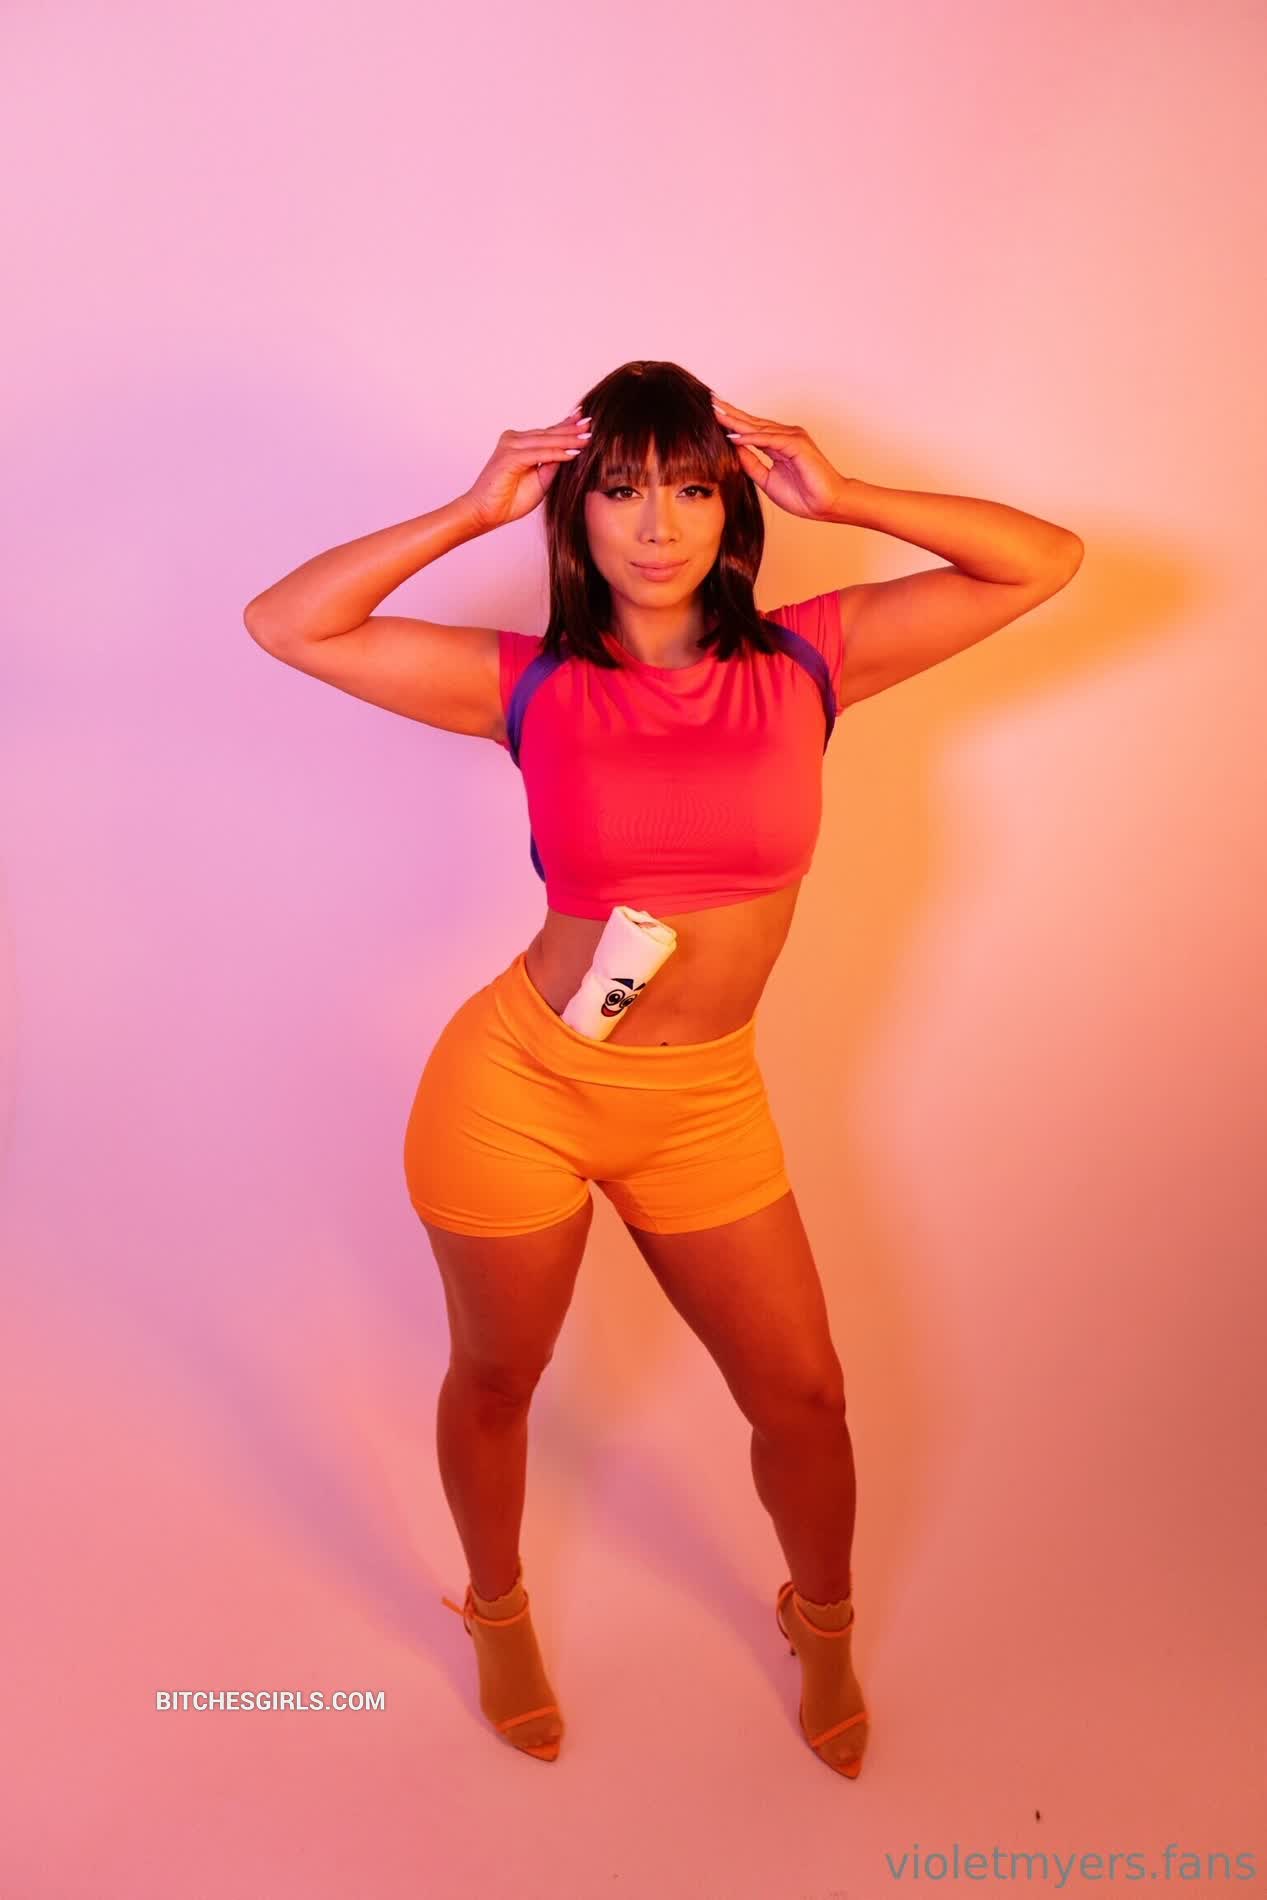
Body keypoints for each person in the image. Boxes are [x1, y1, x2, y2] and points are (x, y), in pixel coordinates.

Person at [243, 357, 1083, 1776]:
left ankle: (822, 1621)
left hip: (702, 1107)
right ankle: (496, 1606)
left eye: (689, 488)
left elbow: (1043, 561)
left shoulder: (811, 660)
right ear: (574, 510)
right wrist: (468, 511)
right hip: (518, 1091)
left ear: (733, 504)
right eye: (621, 488)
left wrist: (849, 495)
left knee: (804, 1399)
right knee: (499, 1379)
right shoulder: (530, 682)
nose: (655, 523)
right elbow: (288, 622)